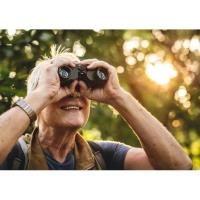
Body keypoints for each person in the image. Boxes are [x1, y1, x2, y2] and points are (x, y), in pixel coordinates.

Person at [0, 46, 192, 170]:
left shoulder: (105, 157)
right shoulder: (14, 155)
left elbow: (178, 167)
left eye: (81, 87)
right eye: (61, 86)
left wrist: (118, 95)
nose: (75, 93)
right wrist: (43, 93)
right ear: (38, 98)